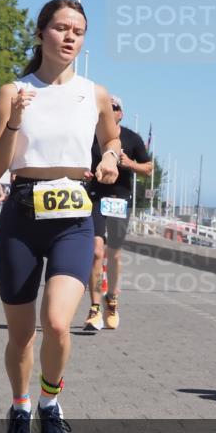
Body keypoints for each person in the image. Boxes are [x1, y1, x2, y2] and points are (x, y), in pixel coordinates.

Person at [0, 0, 121, 433]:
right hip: (22, 212)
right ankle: (20, 408)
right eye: (61, 28)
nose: (69, 37)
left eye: (77, 31)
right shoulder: (14, 91)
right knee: (22, 334)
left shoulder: (94, 93)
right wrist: (15, 123)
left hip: (74, 216)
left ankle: (51, 403)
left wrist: (109, 156)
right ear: (42, 32)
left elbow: (112, 138)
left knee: (59, 324)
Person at [83, 95, 153, 331]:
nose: (110, 111)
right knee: (95, 251)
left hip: (119, 200)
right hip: (94, 198)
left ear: (120, 113)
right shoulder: (89, 135)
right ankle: (94, 308)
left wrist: (130, 164)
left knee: (113, 254)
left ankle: (111, 299)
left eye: (114, 108)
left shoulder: (132, 138)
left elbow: (148, 168)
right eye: (105, 107)